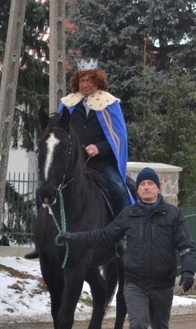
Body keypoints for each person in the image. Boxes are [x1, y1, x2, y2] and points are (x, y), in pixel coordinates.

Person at [61, 167, 196, 329]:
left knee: (160, 326)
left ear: (157, 188)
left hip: (162, 285)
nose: (146, 187)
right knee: (138, 324)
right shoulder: (128, 215)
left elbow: (186, 244)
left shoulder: (173, 215)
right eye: (143, 184)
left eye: (150, 183)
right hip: (135, 284)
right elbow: (104, 236)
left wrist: (188, 270)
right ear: (138, 189)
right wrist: (74, 237)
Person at [25, 59, 133, 260]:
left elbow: (119, 137)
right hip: (73, 165)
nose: (85, 84)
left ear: (98, 81)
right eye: (82, 80)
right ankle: (40, 242)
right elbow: (56, 131)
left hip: (101, 163)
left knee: (119, 188)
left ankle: (122, 237)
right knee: (42, 191)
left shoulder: (109, 104)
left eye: (90, 80)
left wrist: (99, 148)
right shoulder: (68, 104)